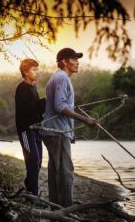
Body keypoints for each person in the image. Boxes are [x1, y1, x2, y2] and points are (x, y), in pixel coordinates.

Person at [41, 48, 98, 207]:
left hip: (55, 131)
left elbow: (61, 105)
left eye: (77, 59)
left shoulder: (59, 77)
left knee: (55, 171)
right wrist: (85, 120)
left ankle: (56, 207)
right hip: (57, 132)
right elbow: (60, 106)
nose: (77, 62)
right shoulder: (61, 78)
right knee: (66, 171)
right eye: (74, 59)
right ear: (64, 62)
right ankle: (66, 207)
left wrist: (70, 133)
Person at [15, 58, 45, 195]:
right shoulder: (21, 88)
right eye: (34, 70)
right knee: (32, 160)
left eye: (37, 69)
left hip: (36, 130)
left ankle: (30, 187)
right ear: (26, 72)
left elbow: (37, 109)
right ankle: (32, 192)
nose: (37, 72)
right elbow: (26, 110)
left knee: (38, 161)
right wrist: (44, 102)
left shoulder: (33, 87)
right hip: (26, 131)